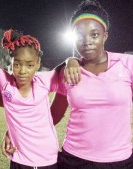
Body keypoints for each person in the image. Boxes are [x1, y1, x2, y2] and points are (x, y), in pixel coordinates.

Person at [50, 0, 133, 168]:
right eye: (80, 36)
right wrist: (17, 133)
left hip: (119, 161)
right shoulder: (68, 71)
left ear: (105, 35)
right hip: (74, 160)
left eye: (94, 35)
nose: (86, 41)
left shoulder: (127, 64)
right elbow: (53, 116)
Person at [0, 29, 81, 169]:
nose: (23, 71)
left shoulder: (44, 81)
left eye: (29, 65)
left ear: (37, 63)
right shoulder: (5, 81)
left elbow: (61, 69)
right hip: (19, 159)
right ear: (10, 61)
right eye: (17, 64)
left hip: (47, 159)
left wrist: (71, 60)